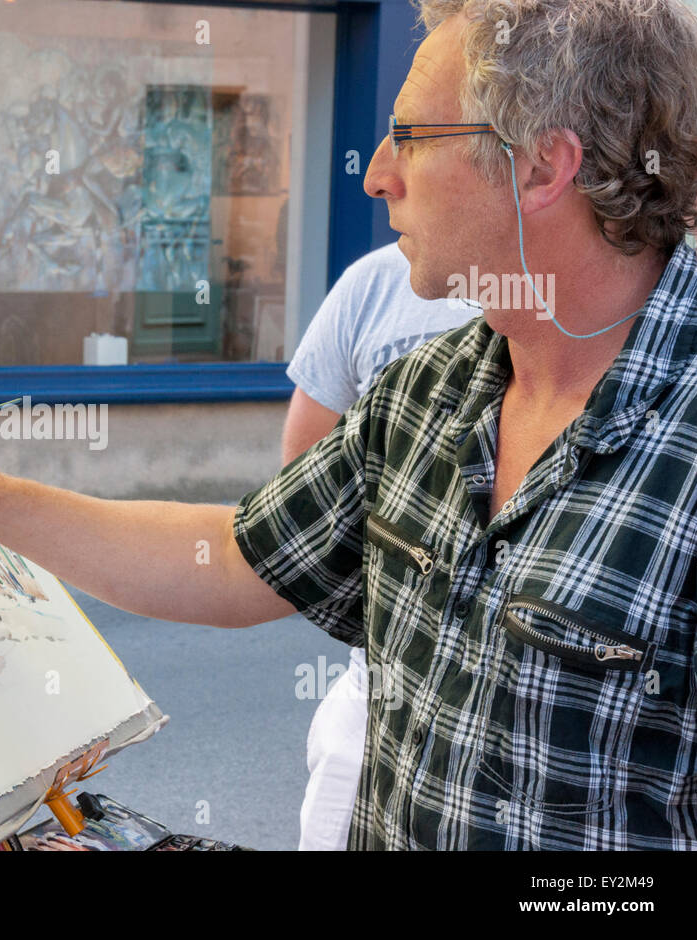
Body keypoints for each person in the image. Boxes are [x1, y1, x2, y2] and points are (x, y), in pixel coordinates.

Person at [0, 0, 697, 849]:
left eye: (410, 139)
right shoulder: (427, 393)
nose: (376, 175)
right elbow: (230, 559)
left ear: (541, 167)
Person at [284, 243, 476, 850]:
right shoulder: (372, 286)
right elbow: (300, 491)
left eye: (413, 144)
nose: (380, 178)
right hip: (378, 681)